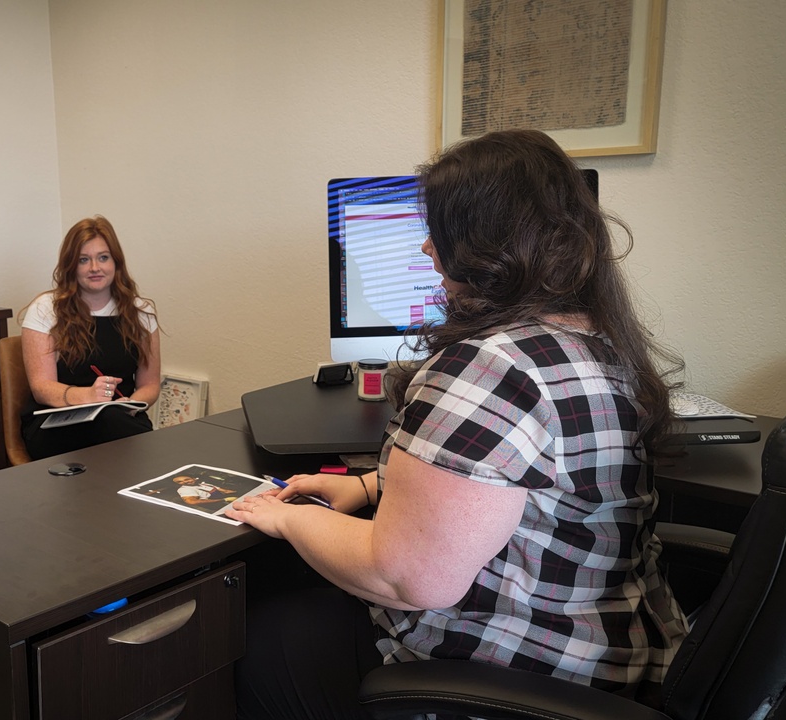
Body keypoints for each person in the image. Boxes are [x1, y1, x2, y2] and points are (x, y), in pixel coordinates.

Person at [226, 129, 689, 719]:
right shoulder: (598, 343)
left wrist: (287, 517)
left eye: (438, 231)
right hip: (618, 656)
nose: (425, 249)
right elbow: (523, 487)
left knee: (261, 631)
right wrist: (369, 486)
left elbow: (406, 582)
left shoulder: (491, 368)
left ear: (482, 243)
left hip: (516, 672)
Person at [19, 215, 161, 460]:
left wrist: (130, 404)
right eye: (84, 260)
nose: (95, 268)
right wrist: (87, 397)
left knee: (114, 424)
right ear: (71, 266)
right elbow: (41, 388)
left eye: (103, 258)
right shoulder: (45, 309)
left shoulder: (141, 312)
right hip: (56, 422)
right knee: (129, 441)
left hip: (121, 418)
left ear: (116, 262)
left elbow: (150, 385)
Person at [172, 475, 241, 506]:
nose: (185, 482)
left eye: (187, 479)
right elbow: (193, 501)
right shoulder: (184, 490)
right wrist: (224, 500)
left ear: (194, 478)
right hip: (216, 506)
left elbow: (226, 491)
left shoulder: (203, 484)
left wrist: (241, 492)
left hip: (226, 501)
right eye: (180, 482)